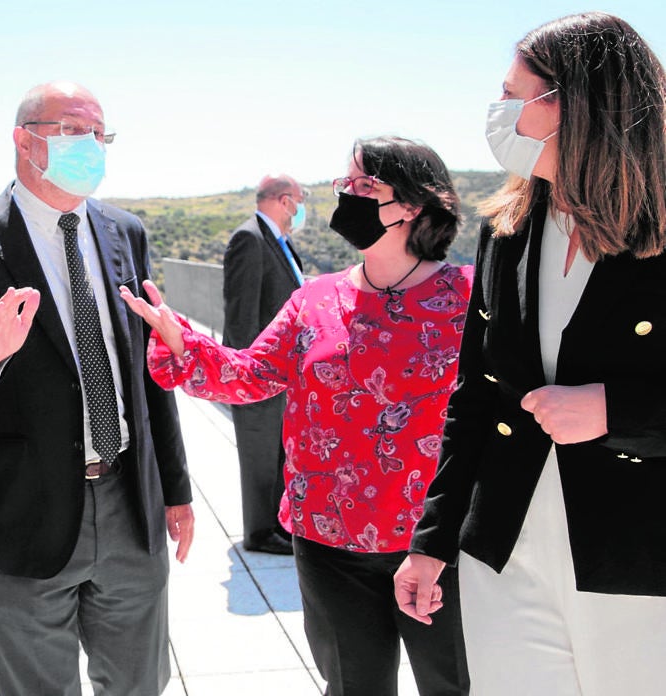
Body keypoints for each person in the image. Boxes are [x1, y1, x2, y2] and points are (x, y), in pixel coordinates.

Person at [122, 136, 472, 696]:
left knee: (457, 684)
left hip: (436, 542)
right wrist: (181, 342)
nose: (345, 196)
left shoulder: (468, 298)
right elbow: (251, 375)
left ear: (411, 205)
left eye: (364, 187)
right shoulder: (314, 299)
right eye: (344, 184)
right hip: (329, 543)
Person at [394, 12, 666, 695]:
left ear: (576, 103)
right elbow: (474, 394)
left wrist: (617, 409)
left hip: (638, 561)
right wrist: (431, 540)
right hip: (504, 553)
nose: (499, 112)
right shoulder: (508, 228)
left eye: (514, 93)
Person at [0, 81, 194, 696]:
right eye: (72, 130)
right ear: (23, 139)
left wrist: (176, 489)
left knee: (140, 684)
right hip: (23, 516)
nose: (91, 145)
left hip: (127, 503)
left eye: (99, 134)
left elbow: (148, 368)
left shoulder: (124, 232)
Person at [223, 174, 308, 555]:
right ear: (285, 200)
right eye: (300, 200)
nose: (301, 209)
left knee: (277, 455)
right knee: (259, 456)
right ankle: (259, 532)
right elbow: (240, 317)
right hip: (260, 376)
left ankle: (276, 526)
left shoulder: (278, 240)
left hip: (283, 376)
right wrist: (247, 376)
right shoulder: (250, 239)